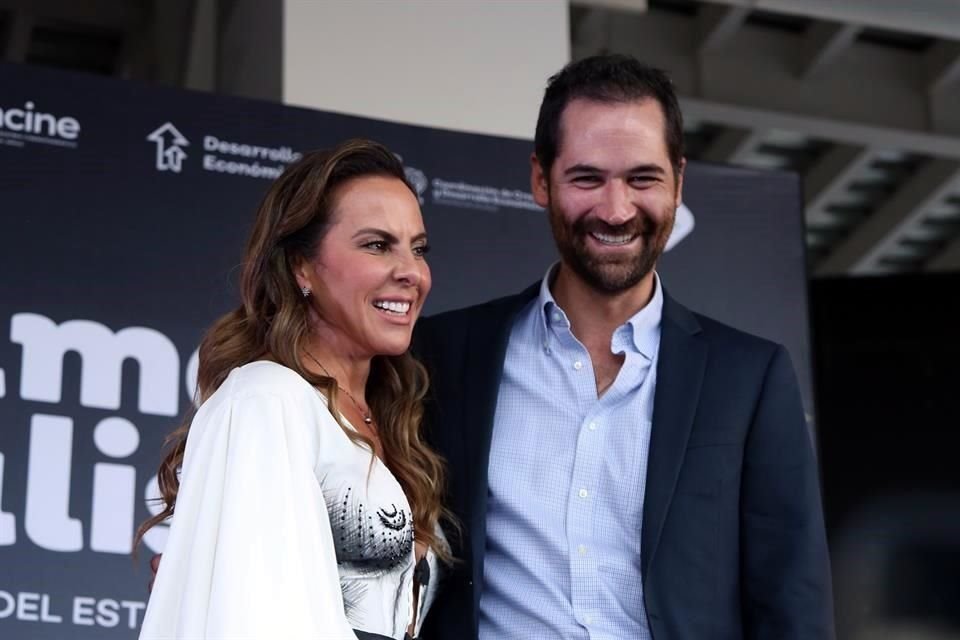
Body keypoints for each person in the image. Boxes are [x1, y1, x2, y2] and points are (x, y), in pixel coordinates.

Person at [414, 54, 835, 639]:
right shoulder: (445, 354)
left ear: (678, 182)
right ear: (541, 179)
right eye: (587, 178)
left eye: (642, 178)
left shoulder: (750, 375)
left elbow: (792, 599)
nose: (616, 210)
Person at [138, 138, 451, 640]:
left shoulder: (391, 419)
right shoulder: (265, 400)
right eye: (377, 245)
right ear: (300, 267)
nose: (411, 272)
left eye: (418, 248)